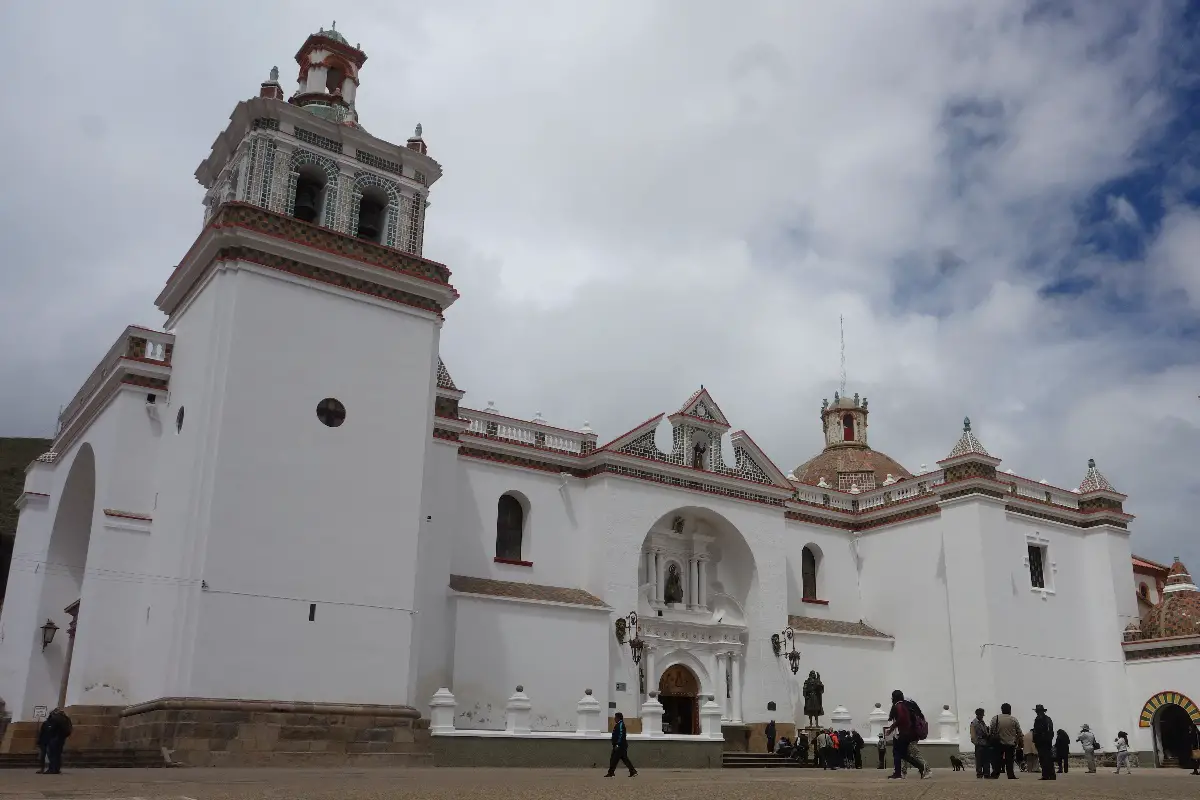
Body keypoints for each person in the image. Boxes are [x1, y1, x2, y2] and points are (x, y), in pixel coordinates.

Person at [884, 689, 930, 779]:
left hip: (903, 733)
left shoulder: (899, 706)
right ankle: (900, 772)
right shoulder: (904, 705)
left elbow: (901, 718)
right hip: (905, 733)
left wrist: (892, 728)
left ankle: (901, 772)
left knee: (899, 753)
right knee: (902, 754)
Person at [988, 703, 1023, 779]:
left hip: (998, 743)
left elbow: (991, 731)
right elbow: (1019, 732)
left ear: (1002, 709)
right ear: (1010, 710)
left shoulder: (995, 718)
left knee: (997, 759)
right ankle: (1010, 775)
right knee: (1010, 760)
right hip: (1010, 743)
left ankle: (995, 774)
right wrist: (1018, 742)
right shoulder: (1013, 719)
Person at [39, 708, 72, 775]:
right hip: (61, 739)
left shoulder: (55, 719)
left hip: (54, 739)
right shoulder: (66, 719)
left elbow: (51, 729)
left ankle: (52, 769)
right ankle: (56, 769)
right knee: (58, 755)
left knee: (52, 755)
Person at [603, 712, 637, 778]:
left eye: (615, 717)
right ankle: (633, 771)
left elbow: (621, 735)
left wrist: (617, 744)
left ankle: (611, 772)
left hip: (620, 746)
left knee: (614, 759)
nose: (614, 719)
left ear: (618, 718)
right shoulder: (618, 724)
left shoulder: (621, 724)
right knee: (624, 759)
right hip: (619, 746)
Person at [1031, 704, 1056, 780]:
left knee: (1044, 758)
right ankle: (1050, 774)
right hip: (1045, 741)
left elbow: (1037, 731)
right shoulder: (1047, 719)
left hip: (1043, 741)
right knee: (1046, 758)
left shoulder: (1040, 719)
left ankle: (1047, 774)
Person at [969, 707, 991, 778]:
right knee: (979, 760)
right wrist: (976, 743)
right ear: (977, 714)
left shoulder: (982, 722)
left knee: (986, 759)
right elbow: (973, 735)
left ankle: (986, 773)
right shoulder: (974, 723)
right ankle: (979, 773)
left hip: (985, 743)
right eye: (981, 714)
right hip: (979, 743)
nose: (982, 716)